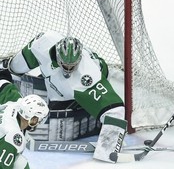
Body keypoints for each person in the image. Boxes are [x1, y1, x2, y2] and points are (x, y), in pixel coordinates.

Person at [3, 31, 127, 163]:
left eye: (72, 66)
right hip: (55, 81)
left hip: (86, 86)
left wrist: (109, 148)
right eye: (65, 64)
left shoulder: (87, 77)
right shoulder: (44, 42)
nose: (68, 68)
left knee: (53, 112)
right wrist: (9, 68)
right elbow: (25, 58)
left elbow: (115, 110)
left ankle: (79, 106)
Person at [0, 69, 49, 169]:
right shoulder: (14, 136)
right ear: (30, 117)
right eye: (37, 119)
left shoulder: (17, 102)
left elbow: (4, 84)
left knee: (20, 163)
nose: (38, 122)